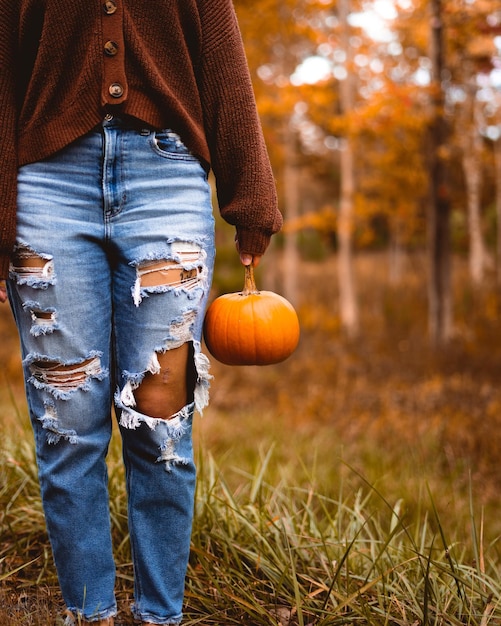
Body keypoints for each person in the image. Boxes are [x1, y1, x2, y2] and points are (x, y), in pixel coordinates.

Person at [0, 1, 282, 624]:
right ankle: (91, 613)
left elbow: (222, 59)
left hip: (167, 179)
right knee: (66, 425)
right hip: (46, 183)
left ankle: (160, 616)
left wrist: (252, 195)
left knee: (161, 426)